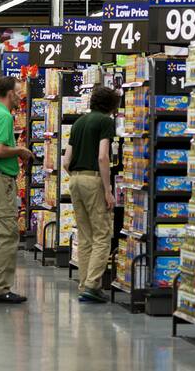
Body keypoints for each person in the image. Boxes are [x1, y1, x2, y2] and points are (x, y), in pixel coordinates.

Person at [61, 86, 120, 303]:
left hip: (74, 179)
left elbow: (66, 160)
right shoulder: (105, 122)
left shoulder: (78, 123)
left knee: (85, 235)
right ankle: (93, 285)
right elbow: (103, 157)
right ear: (111, 105)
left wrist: (77, 175)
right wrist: (107, 189)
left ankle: (84, 283)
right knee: (102, 235)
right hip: (93, 179)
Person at [0, 76, 33, 304]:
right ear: (10, 93)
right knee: (7, 235)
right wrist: (21, 150)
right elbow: (0, 150)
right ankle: (0, 288)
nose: (21, 95)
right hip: (1, 182)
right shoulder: (4, 117)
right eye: (19, 92)